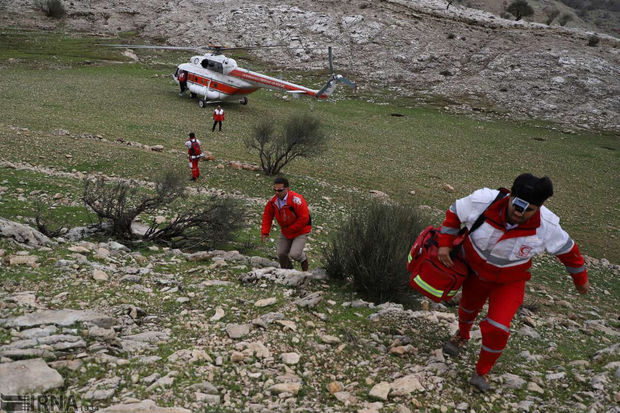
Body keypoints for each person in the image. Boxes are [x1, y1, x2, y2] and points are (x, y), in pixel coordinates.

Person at [437, 173, 588, 392]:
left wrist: (581, 281)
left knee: (498, 327)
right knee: (468, 308)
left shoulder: (547, 226)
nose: (520, 213)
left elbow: (569, 252)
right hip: (475, 273)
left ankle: (482, 372)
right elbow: (454, 213)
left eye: (529, 210)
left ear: (539, 208)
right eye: (517, 205)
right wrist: (444, 244)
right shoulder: (483, 201)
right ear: (510, 196)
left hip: (509, 282)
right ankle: (462, 335)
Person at [261, 177, 311, 271]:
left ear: (287, 189)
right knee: (281, 253)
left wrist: (291, 229)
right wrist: (265, 232)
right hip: (286, 230)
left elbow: (304, 218)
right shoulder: (273, 201)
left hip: (301, 230)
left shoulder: (296, 200)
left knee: (295, 254)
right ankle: (286, 272)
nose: (277, 192)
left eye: (280, 190)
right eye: (275, 190)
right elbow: (267, 216)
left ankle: (304, 262)